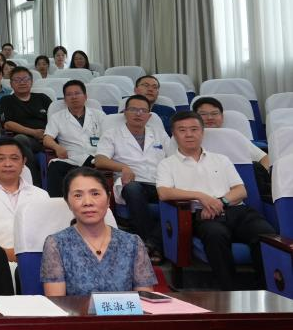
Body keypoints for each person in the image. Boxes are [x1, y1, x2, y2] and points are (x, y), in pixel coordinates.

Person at [156, 111, 275, 290]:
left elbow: (241, 191)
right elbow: (164, 193)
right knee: (215, 235)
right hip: (203, 215)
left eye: (194, 129)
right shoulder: (167, 164)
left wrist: (221, 202)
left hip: (237, 211)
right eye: (182, 130)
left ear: (202, 132)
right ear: (174, 134)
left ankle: (265, 289)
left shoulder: (221, 159)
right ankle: (229, 291)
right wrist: (200, 196)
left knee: (265, 233)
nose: (189, 134)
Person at [42, 168, 156, 296]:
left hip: (125, 310)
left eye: (95, 194)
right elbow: (57, 303)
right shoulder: (56, 244)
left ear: (108, 199)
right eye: (78, 195)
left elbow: (145, 300)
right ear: (68, 203)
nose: (88, 202)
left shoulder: (133, 243)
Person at [94, 95, 168, 260]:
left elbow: (172, 159)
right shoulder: (112, 134)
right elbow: (100, 160)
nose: (138, 114)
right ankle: (150, 243)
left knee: (177, 201)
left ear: (149, 115)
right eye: (134, 109)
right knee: (134, 189)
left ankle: (150, 245)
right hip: (132, 183)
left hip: (160, 183)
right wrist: (123, 167)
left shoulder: (160, 134)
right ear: (125, 112)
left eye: (143, 110)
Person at [0, 139, 48, 260]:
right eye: (1, 159)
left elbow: (47, 234)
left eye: (14, 158)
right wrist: (3, 254)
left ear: (24, 162)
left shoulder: (41, 195)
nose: (8, 164)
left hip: (34, 260)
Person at [43, 80, 105, 196]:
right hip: (71, 158)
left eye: (77, 93)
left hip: (96, 157)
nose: (74, 97)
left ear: (85, 96)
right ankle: (57, 203)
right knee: (55, 166)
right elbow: (47, 138)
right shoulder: (57, 117)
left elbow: (109, 137)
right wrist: (57, 147)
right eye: (69, 94)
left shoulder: (99, 115)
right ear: (65, 99)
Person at [0, 66, 52, 186]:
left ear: (31, 82)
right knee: (20, 140)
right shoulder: (6, 101)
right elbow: (7, 124)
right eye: (17, 80)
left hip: (48, 138)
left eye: (25, 79)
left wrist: (48, 135)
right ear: (11, 84)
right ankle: (34, 184)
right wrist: (34, 133)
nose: (22, 82)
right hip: (24, 140)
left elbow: (56, 119)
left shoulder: (43, 98)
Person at [192, 96, 270, 174]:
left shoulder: (233, 135)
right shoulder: (189, 137)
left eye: (214, 113)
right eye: (203, 114)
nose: (209, 117)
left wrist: (260, 176)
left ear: (222, 117)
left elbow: (264, 158)